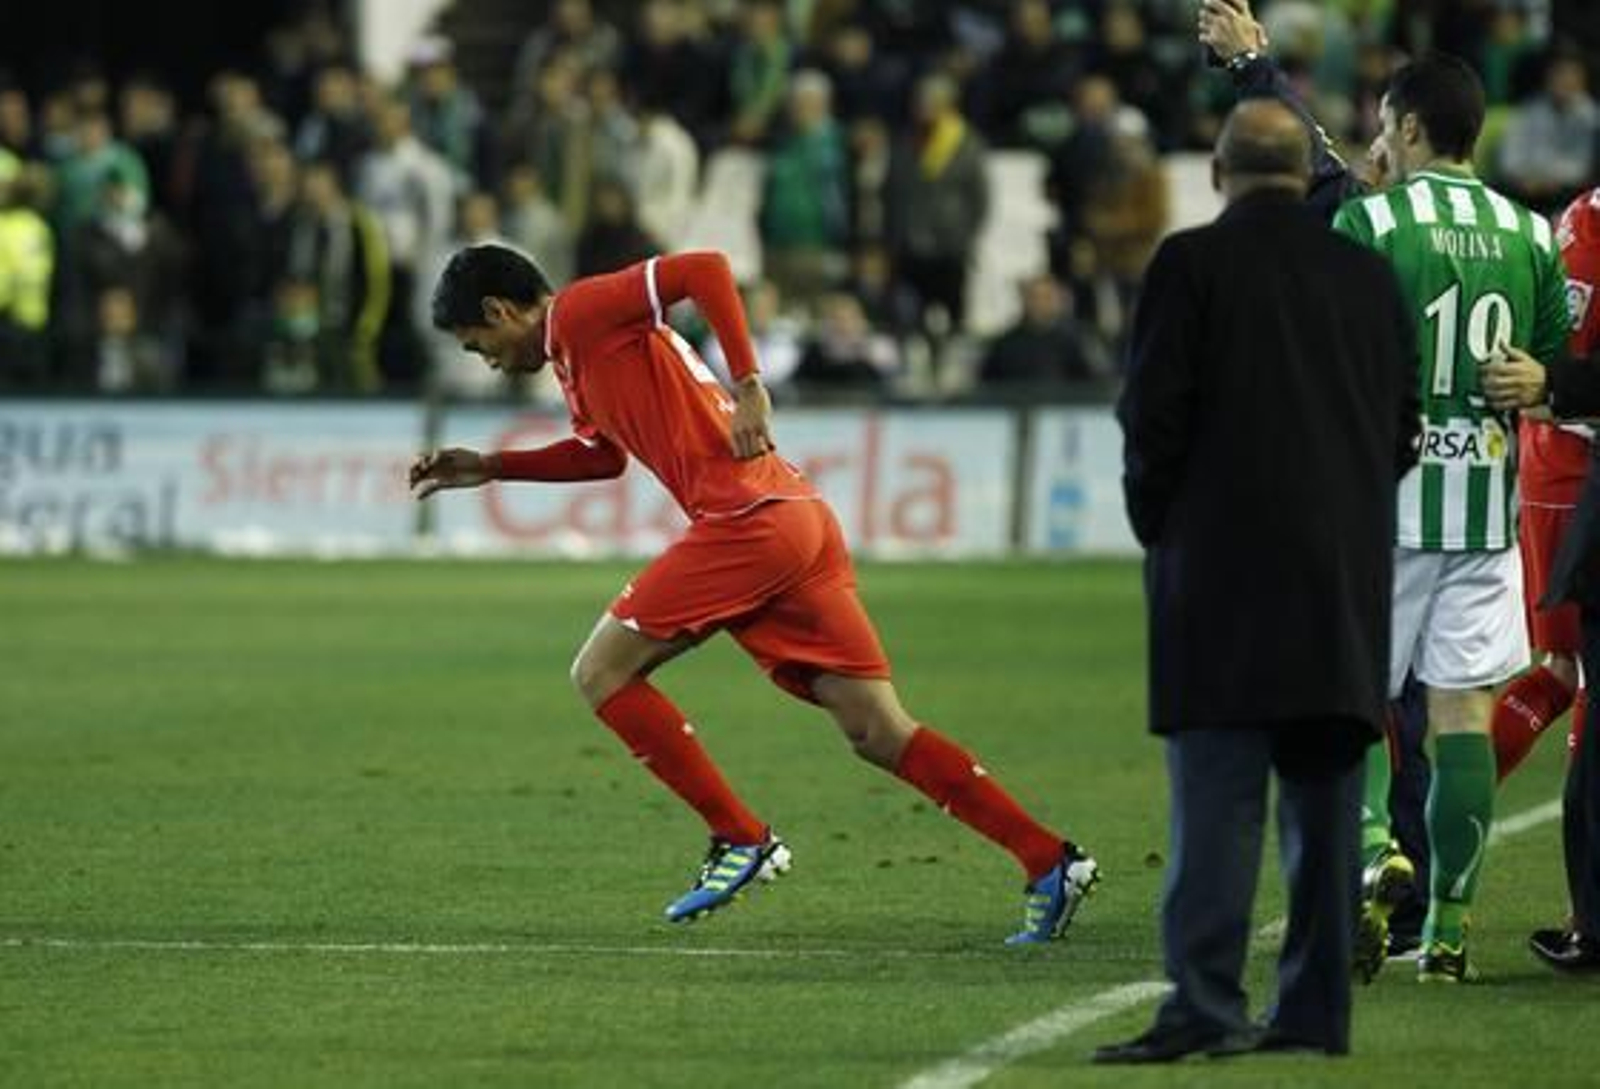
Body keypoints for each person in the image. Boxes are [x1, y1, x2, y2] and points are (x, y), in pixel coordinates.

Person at [408, 244, 1098, 941]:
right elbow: (602, 456)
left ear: (499, 310)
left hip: (746, 522)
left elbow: (703, 268)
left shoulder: (583, 311)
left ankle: (740, 837)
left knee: (600, 671)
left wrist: (749, 384)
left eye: (477, 344)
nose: (486, 360)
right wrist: (493, 465)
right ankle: (1049, 861)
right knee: (877, 730)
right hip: (795, 514)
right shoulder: (573, 356)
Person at [1092, 100, 1418, 1065]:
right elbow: (1402, 430)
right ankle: (1314, 1012)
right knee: (1326, 812)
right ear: (1304, 174)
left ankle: (1205, 1003)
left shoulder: (1190, 265)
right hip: (1339, 583)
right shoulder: (1366, 275)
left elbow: (1151, 420)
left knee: (1218, 807)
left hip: (1218, 579)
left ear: (1217, 173)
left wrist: (1163, 531)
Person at [1333, 53, 1571, 983]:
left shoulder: (1373, 221)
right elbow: (1542, 370)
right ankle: (1446, 934)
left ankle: (1371, 850)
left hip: (1383, 504)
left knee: (1352, 697)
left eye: (1385, 124)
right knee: (1464, 715)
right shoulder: (1530, 232)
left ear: (1408, 127)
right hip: (1483, 510)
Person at [1481, 191, 1600, 974]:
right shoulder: (1588, 228)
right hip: (1572, 462)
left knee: (1570, 671)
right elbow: (1561, 359)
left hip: (1565, 456)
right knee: (1574, 668)